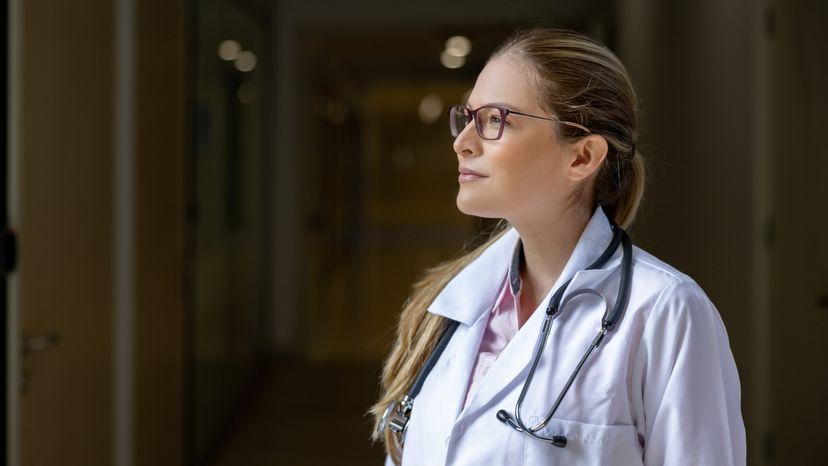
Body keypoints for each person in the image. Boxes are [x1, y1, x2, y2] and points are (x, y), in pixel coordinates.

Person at [370, 25, 745, 466]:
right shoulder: (442, 311)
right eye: (467, 117)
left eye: (495, 120)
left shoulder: (665, 311)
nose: (462, 142)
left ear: (582, 157)